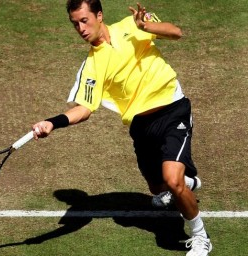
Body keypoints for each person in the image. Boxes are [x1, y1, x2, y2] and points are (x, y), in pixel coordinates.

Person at [32, 1, 212, 255]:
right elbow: (84, 108)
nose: (81, 28)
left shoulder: (132, 25)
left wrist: (145, 25)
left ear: (99, 15)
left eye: (84, 20)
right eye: (75, 24)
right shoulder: (92, 65)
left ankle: (199, 236)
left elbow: (176, 32)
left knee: (173, 181)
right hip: (140, 125)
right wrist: (52, 122)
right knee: (158, 189)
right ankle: (187, 183)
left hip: (173, 109)